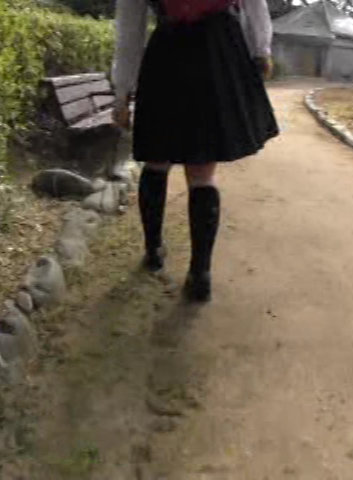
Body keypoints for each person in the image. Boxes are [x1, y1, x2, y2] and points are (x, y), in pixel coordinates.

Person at [111, 0, 279, 302]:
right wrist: (261, 50)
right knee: (202, 171)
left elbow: (129, 29)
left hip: (167, 53)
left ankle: (153, 250)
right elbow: (255, 5)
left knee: (156, 159)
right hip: (218, 53)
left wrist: (122, 93)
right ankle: (200, 273)